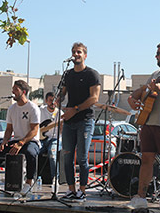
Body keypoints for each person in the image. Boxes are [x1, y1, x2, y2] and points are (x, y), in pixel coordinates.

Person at [126, 41, 160, 211]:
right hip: (148, 122)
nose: (156, 56)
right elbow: (143, 90)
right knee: (146, 159)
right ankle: (141, 197)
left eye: (158, 53)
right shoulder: (157, 73)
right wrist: (132, 98)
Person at [60, 42, 101, 202]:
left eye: (79, 52)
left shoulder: (92, 74)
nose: (75, 54)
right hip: (69, 121)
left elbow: (94, 98)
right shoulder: (68, 74)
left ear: (85, 55)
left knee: (83, 158)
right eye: (73, 52)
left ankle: (82, 190)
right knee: (67, 157)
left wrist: (75, 110)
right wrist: (58, 99)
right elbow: (62, 93)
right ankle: (71, 189)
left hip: (84, 120)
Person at [0, 80, 40, 195]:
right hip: (16, 140)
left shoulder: (33, 108)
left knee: (31, 153)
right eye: (13, 89)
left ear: (24, 92)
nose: (13, 91)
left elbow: (34, 130)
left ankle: (28, 183)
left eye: (16, 89)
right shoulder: (12, 108)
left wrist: (21, 143)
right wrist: (4, 141)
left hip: (30, 141)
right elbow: (9, 129)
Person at [39, 92, 63, 185]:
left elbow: (62, 131)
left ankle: (55, 178)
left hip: (55, 139)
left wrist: (62, 127)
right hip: (42, 139)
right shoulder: (41, 110)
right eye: (50, 100)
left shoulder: (60, 113)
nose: (52, 103)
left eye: (54, 101)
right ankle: (32, 177)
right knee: (34, 152)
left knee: (52, 154)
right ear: (46, 101)